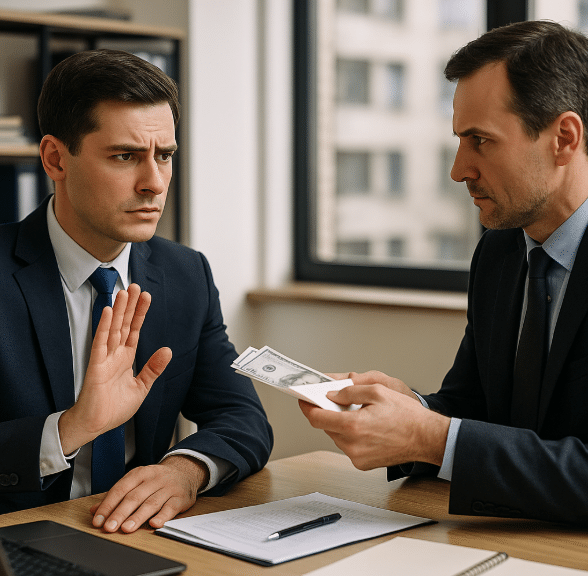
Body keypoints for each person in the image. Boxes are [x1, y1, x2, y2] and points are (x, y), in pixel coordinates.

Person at [300, 20, 588, 524]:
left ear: (563, 138)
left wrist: (431, 436)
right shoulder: (498, 253)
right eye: (459, 140)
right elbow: (471, 407)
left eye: (480, 141)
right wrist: (405, 410)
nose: (458, 170)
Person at [0, 49, 273, 532]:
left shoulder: (186, 273)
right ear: (55, 159)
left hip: (141, 538)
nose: (154, 183)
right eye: (125, 156)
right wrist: (69, 430)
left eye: (164, 156)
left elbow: (240, 415)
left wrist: (184, 471)